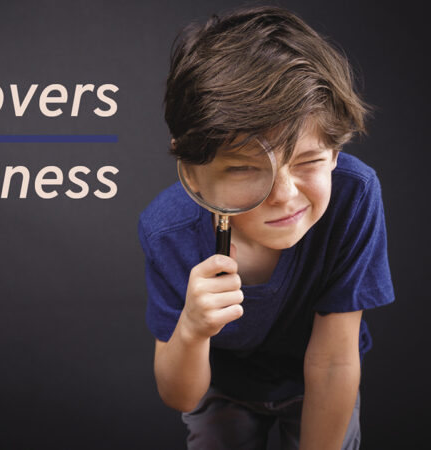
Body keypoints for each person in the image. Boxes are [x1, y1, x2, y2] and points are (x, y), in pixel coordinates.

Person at [137, 6, 395, 450]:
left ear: (335, 153)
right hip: (221, 386)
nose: (283, 194)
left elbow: (333, 362)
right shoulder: (168, 230)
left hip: (320, 377)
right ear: (193, 173)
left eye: (309, 161)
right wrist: (192, 329)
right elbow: (181, 394)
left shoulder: (353, 196)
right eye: (243, 170)